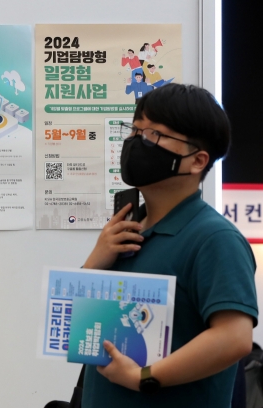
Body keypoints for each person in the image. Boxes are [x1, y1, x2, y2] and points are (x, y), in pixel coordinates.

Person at [81, 84, 257, 408]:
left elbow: (235, 338)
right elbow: (76, 329)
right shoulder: (123, 232)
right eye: (135, 130)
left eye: (154, 134)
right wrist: (95, 261)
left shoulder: (215, 239)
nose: (136, 141)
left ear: (197, 161)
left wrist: (142, 378)